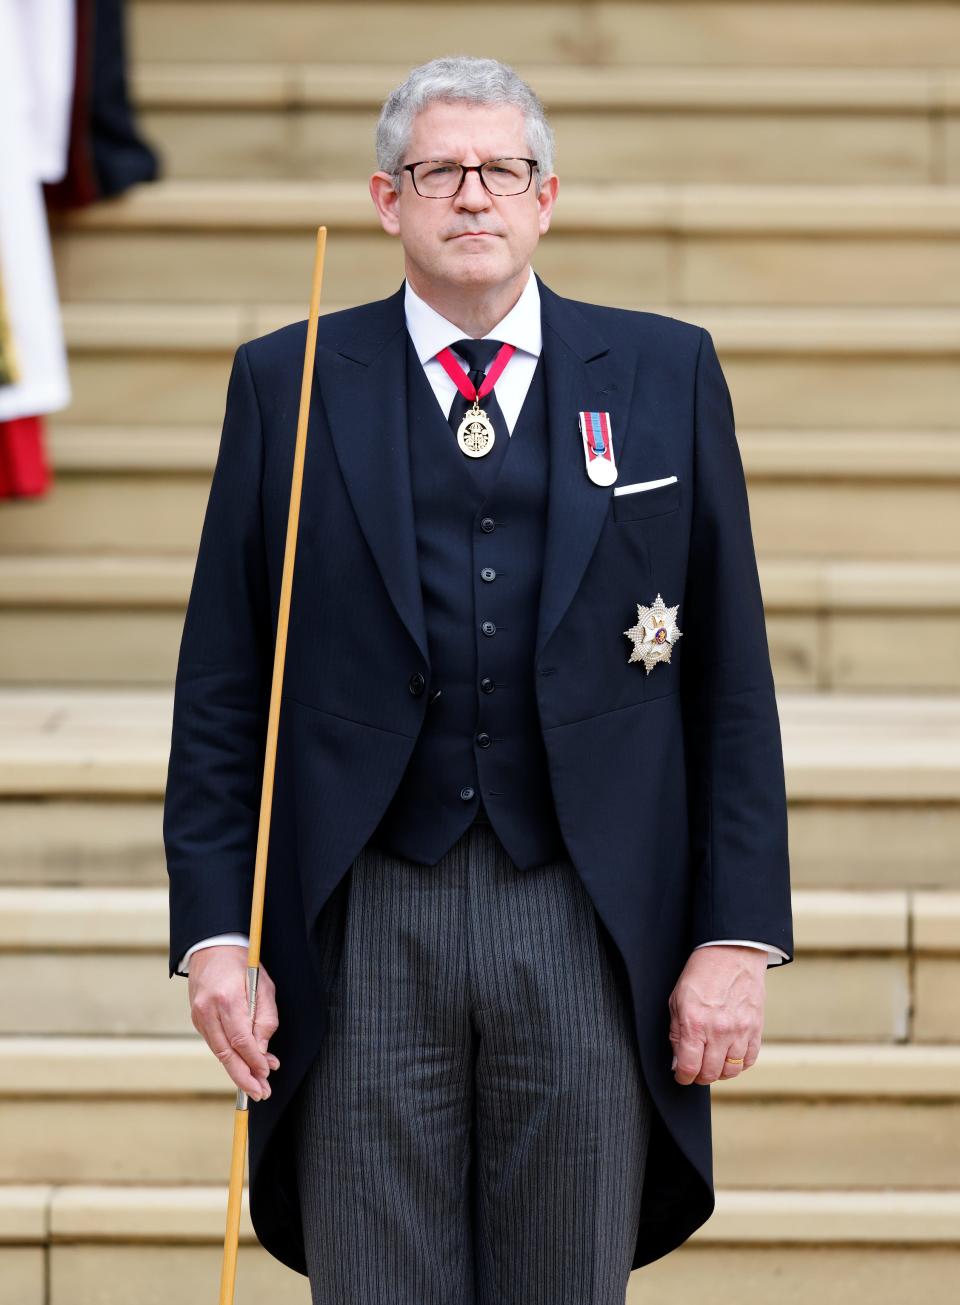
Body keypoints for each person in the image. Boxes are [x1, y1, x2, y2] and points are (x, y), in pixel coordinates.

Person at [164, 54, 794, 1304]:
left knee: (567, 1278)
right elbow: (226, 687)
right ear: (387, 200)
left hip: (581, 907)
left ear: (546, 198)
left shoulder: (666, 373)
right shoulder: (286, 383)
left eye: (500, 169)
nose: (471, 196)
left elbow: (730, 681)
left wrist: (735, 936)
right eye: (437, 171)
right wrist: (216, 935)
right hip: (364, 912)